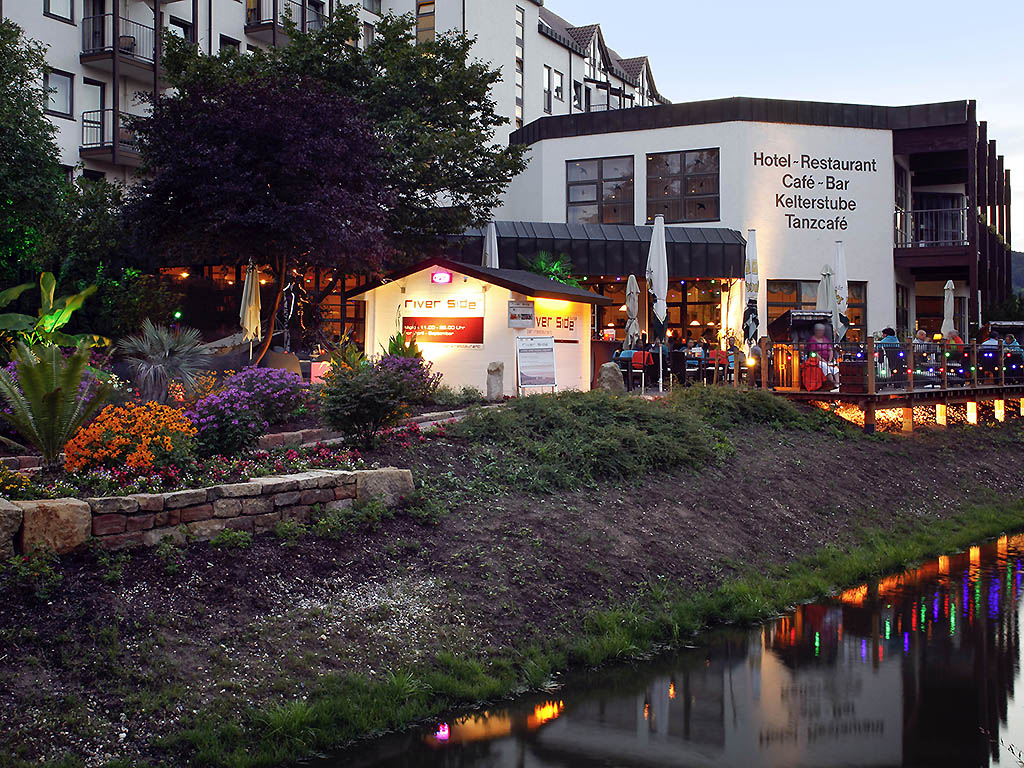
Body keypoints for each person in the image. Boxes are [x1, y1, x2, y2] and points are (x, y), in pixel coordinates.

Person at [807, 323, 838, 388]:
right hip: (817, 361)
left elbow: (830, 350)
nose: (821, 332)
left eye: (822, 331)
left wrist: (829, 360)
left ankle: (838, 384)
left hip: (827, 361)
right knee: (824, 366)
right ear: (816, 331)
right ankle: (833, 383)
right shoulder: (812, 340)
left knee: (835, 368)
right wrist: (823, 360)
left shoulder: (825, 339)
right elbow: (814, 353)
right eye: (819, 330)